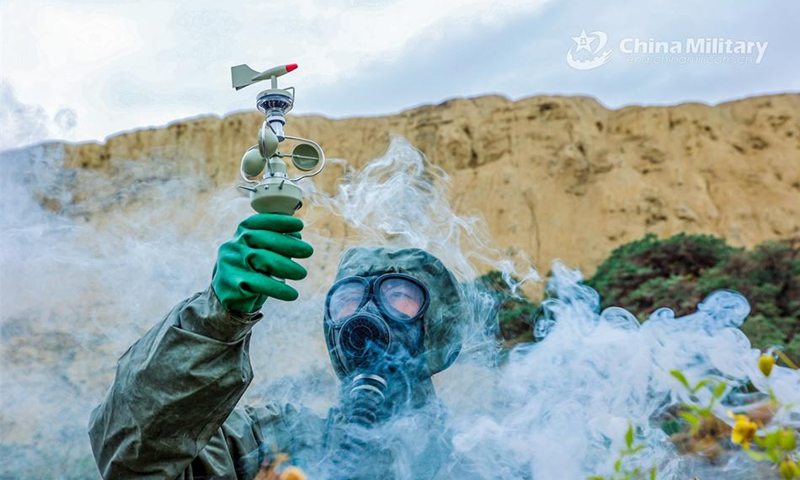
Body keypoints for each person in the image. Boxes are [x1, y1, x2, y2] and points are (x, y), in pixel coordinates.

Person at [88, 213, 469, 479]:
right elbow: (134, 461)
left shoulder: (479, 456)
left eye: (399, 294)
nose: (365, 314)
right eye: (349, 298)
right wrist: (216, 319)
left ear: (436, 326)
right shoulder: (275, 440)